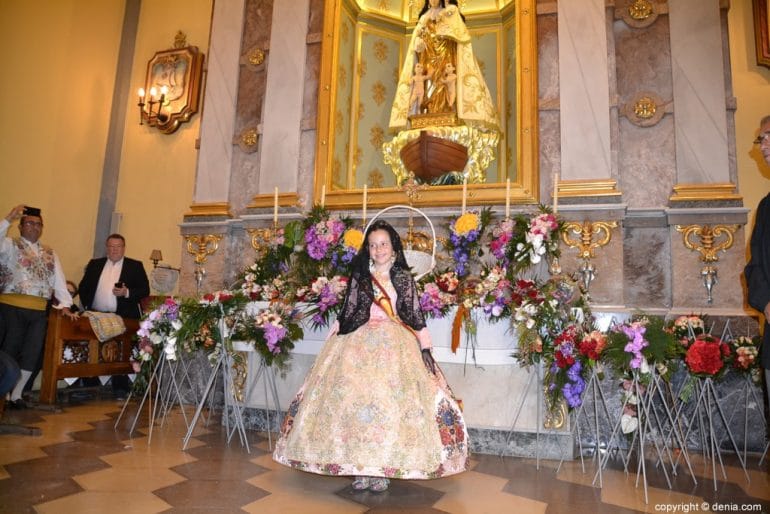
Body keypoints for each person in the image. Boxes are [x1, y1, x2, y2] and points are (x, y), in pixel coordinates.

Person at [273, 220, 469, 492]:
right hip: (358, 341)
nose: (378, 250)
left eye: (383, 244)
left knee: (386, 403)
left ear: (394, 248)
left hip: (394, 343)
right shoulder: (361, 275)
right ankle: (358, 465)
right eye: (373, 245)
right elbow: (348, 310)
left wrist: (425, 343)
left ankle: (382, 469)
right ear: (368, 249)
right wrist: (336, 333)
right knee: (353, 400)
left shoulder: (402, 276)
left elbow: (413, 314)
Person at [0, 205, 77, 409]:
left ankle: (16, 394)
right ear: (21, 226)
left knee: (32, 353)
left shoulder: (50, 252)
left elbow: (58, 280)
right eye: (29, 223)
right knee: (10, 350)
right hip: (12, 307)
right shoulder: (9, 244)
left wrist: (65, 304)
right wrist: (8, 219)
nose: (34, 227)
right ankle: (3, 395)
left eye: (38, 224)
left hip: (38, 311)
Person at [389, 0, 498, 131]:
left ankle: (446, 109)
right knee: (429, 81)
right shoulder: (424, 17)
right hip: (428, 56)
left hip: (445, 55)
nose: (433, 0)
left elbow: (459, 35)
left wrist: (447, 19)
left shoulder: (449, 13)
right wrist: (418, 42)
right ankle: (427, 111)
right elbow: (416, 39)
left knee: (444, 81)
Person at [78, 234, 149, 398]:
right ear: (106, 248)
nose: (114, 249)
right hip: (96, 316)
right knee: (92, 351)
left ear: (124, 248)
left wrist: (126, 292)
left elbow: (144, 290)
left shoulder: (134, 266)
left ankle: (120, 387)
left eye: (118, 246)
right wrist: (89, 306)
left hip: (122, 316)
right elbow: (83, 287)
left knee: (120, 353)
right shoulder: (95, 264)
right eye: (111, 246)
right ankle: (90, 384)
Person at [744, 114, 770, 417]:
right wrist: (765, 302)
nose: (761, 145)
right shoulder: (766, 206)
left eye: (765, 137)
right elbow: (756, 266)